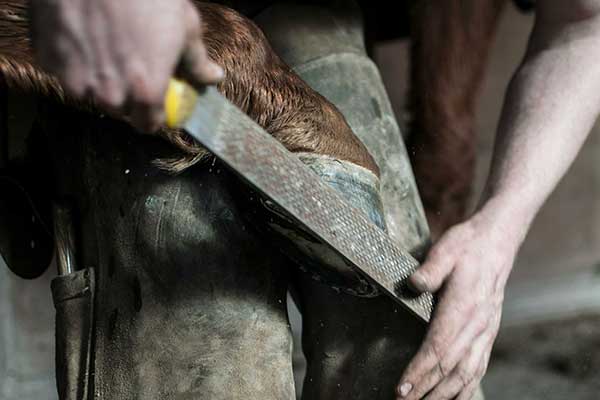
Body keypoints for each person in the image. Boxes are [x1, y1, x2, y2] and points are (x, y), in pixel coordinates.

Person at [22, 0, 600, 399]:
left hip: (306, 14)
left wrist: (499, 229)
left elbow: (583, 28)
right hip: (131, 41)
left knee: (416, 355)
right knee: (200, 358)